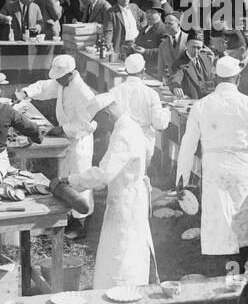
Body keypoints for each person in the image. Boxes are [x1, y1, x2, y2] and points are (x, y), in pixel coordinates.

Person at [175, 54, 248, 260]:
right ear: (238, 79)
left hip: (214, 168)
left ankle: (218, 269)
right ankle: (238, 266)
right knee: (241, 218)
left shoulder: (201, 105)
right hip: (242, 168)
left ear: (217, 79)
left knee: (216, 218)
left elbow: (187, 146)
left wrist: (181, 179)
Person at [58, 94, 155, 289]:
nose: (100, 126)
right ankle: (125, 287)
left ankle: (120, 290)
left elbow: (103, 175)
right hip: (128, 194)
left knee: (121, 249)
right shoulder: (130, 125)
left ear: (107, 113)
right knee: (125, 247)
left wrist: (70, 180)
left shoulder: (124, 134)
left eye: (99, 120)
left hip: (126, 200)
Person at [14, 54, 101, 236]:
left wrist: (60, 129)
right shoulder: (62, 82)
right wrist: (26, 92)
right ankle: (68, 215)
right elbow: (45, 86)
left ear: (70, 74)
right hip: (67, 138)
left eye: (60, 77)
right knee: (66, 177)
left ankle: (82, 222)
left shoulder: (82, 92)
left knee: (80, 178)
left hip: (80, 140)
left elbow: (86, 125)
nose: (57, 80)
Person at [110, 52, 171, 165]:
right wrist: (166, 111)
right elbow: (160, 124)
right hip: (142, 142)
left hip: (120, 141)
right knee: (139, 178)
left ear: (127, 71)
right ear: (144, 71)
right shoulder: (151, 94)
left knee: (118, 177)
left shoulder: (114, 92)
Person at [170, 30, 216, 99]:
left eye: (199, 48)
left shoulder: (206, 57)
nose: (196, 51)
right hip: (192, 102)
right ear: (186, 44)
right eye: (193, 47)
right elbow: (176, 76)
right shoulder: (179, 63)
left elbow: (212, 78)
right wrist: (176, 86)